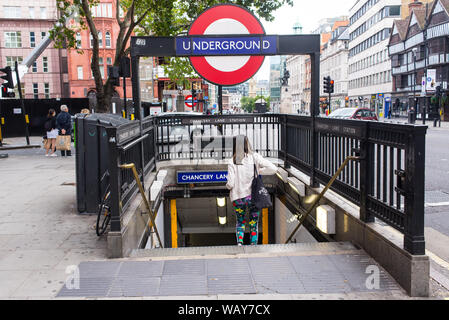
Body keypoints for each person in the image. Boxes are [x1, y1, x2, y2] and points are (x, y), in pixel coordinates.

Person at [226, 135, 277, 246]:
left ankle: (240, 243)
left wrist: (227, 186)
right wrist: (259, 171)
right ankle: (253, 244)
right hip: (253, 198)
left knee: (240, 221)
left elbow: (230, 184)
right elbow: (273, 169)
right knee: (254, 223)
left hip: (238, 198)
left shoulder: (232, 161)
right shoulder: (255, 157)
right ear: (246, 144)